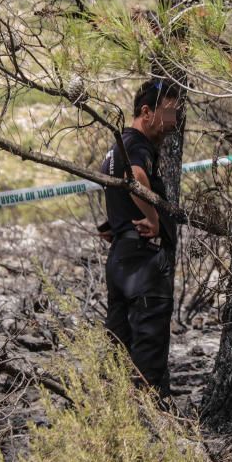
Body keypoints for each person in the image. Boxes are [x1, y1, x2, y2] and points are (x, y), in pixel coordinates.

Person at [100, 78, 181, 394]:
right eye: (170, 113)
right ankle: (150, 423)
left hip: (121, 258)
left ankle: (121, 418)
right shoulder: (136, 145)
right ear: (146, 112)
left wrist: (116, 222)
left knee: (119, 348)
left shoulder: (117, 146)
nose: (174, 123)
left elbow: (118, 185)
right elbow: (134, 178)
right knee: (148, 351)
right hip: (142, 264)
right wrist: (152, 218)